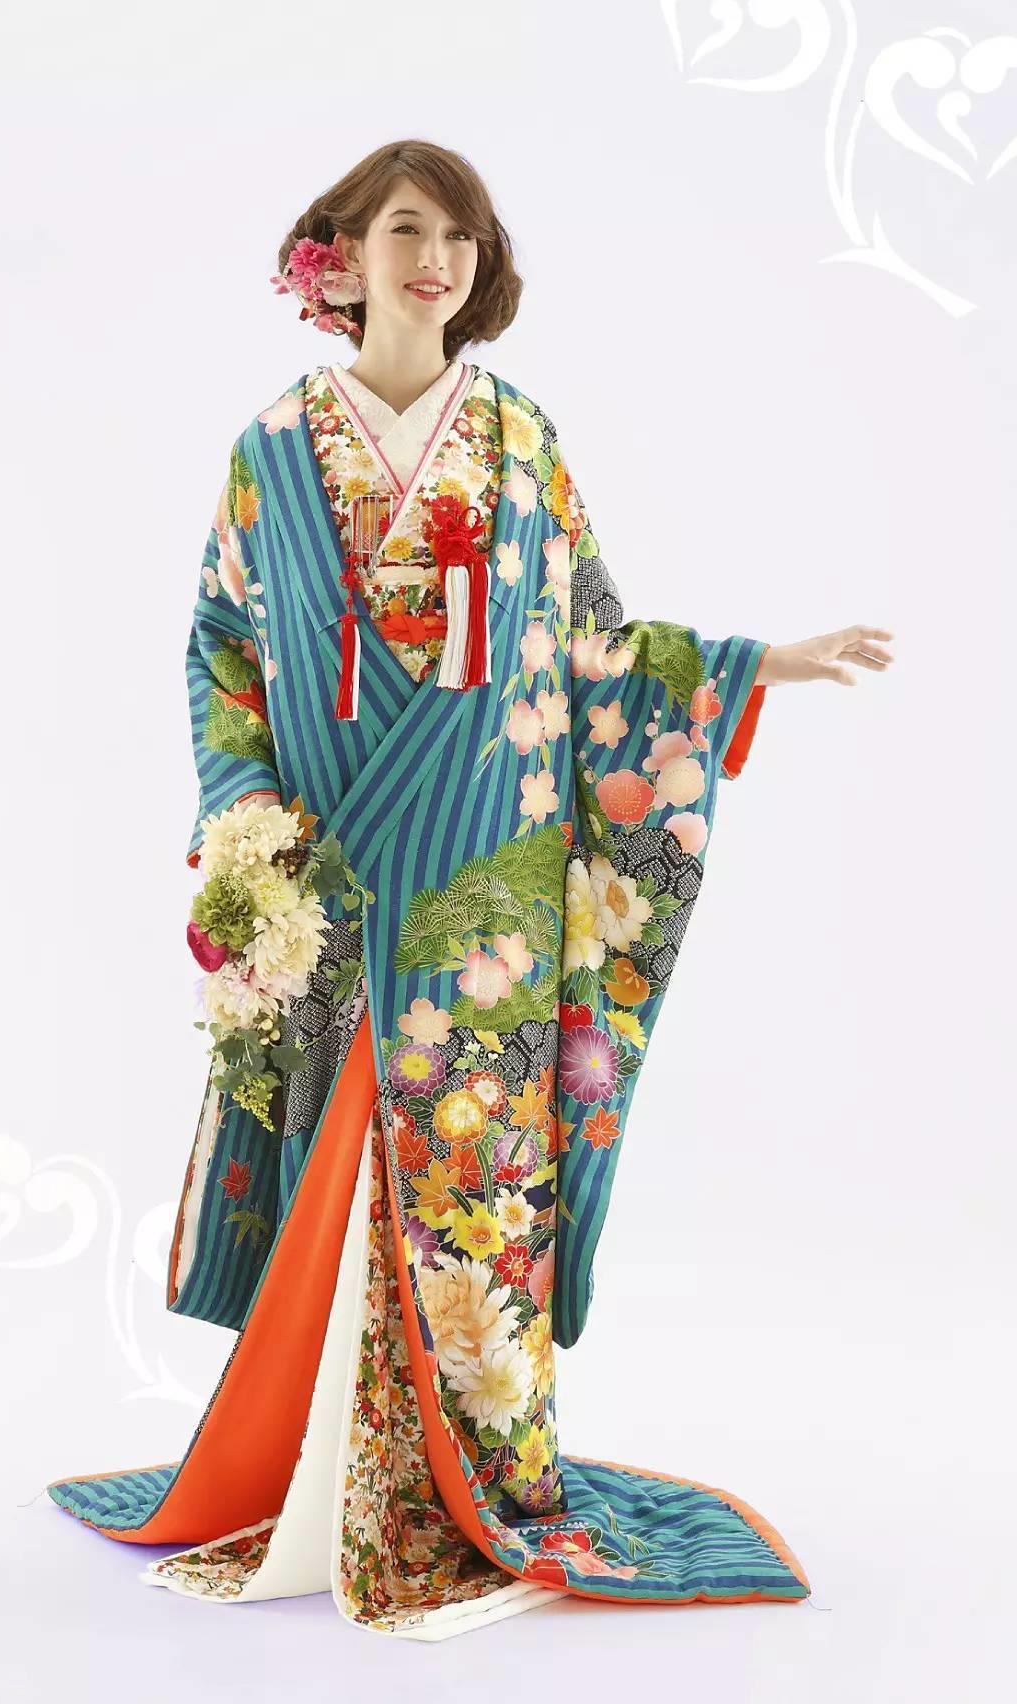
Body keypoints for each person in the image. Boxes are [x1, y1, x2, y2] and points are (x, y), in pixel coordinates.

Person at [46, 139, 894, 1640]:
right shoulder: (270, 451)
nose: (434, 259)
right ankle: (316, 1464)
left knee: (473, 1178)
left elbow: (593, 643)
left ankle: (475, 1475)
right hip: (330, 866)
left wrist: (758, 663)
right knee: (332, 1161)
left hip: (485, 881)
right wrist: (244, 819)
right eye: (405, 228)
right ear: (342, 253)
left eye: (459, 235)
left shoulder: (518, 437)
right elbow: (221, 646)